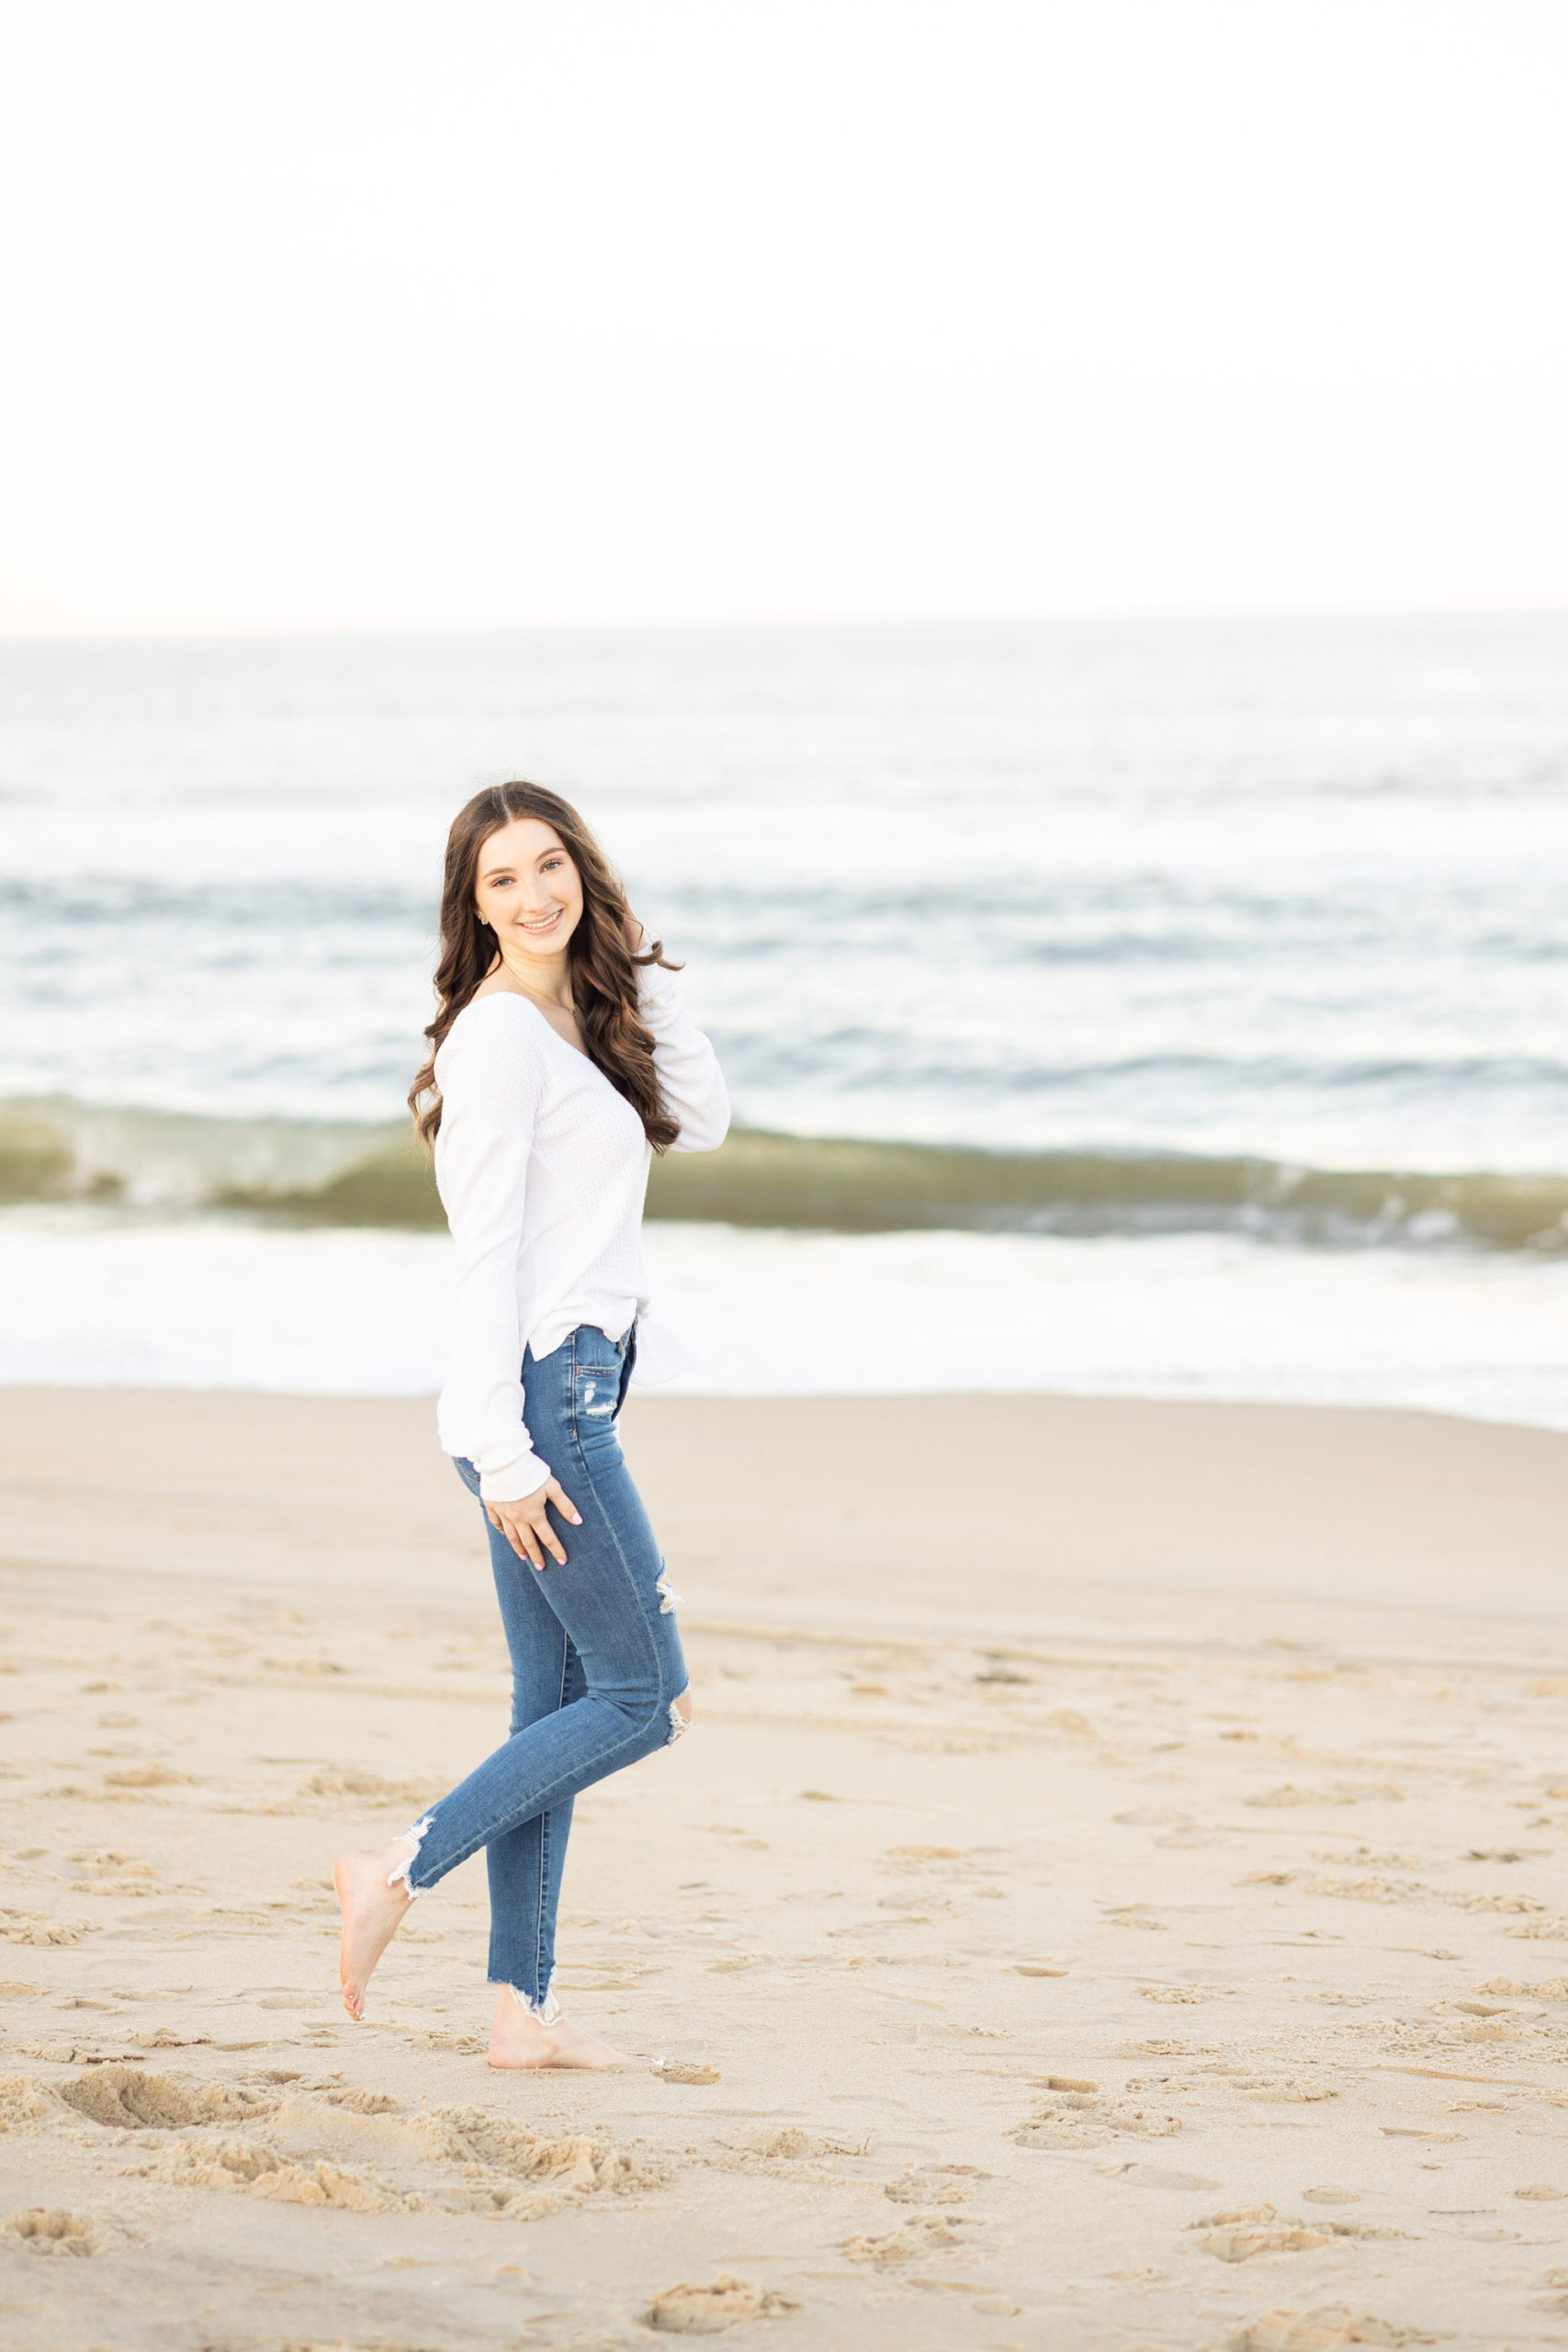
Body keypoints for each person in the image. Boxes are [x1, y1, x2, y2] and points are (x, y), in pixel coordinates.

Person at [333, 780, 729, 2069]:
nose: (534, 895)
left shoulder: (581, 1015)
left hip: (572, 1388)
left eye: (551, 866)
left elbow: (708, 1119)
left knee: (552, 1704)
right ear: (474, 904)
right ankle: (397, 1866)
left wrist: (645, 972)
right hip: (540, 1408)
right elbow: (482, 1257)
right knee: (646, 1699)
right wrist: (500, 1451)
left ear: (584, 871)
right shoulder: (497, 1041)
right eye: (502, 881)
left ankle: (522, 2011)